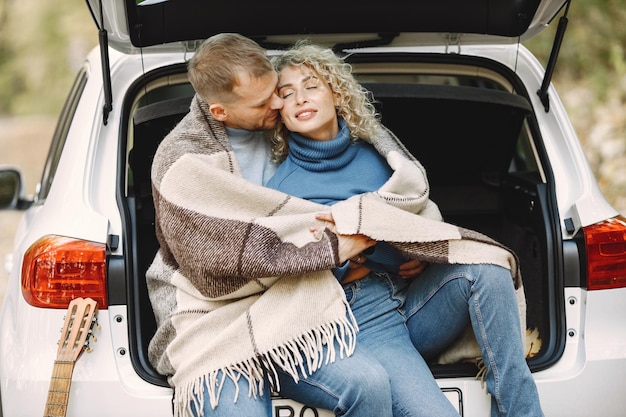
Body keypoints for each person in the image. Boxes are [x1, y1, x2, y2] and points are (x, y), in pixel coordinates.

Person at [266, 41, 544, 417]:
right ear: (279, 112)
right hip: (362, 314)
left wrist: (418, 254)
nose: (300, 98)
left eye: (311, 85)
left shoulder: (382, 158)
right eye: (287, 93)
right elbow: (290, 269)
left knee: (489, 266)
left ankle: (518, 409)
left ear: (336, 92)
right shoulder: (283, 188)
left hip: (415, 299)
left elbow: (416, 217)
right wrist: (369, 251)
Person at [146, 33, 411, 417]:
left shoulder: (288, 119)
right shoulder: (182, 160)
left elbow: (366, 153)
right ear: (220, 111)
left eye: (276, 90)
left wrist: (407, 246)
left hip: (296, 304)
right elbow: (211, 266)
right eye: (262, 101)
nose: (278, 103)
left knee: (367, 384)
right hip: (213, 318)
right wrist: (335, 249)